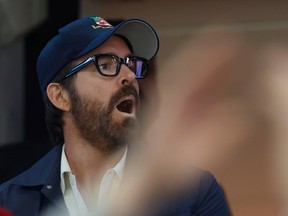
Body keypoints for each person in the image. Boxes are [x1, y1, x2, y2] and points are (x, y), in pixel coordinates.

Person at [0, 16, 231, 215]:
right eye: (107, 64)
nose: (130, 75)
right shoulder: (10, 202)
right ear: (60, 96)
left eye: (132, 64)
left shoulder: (194, 191)